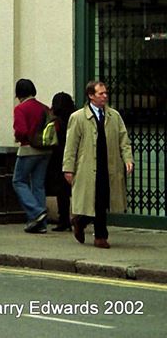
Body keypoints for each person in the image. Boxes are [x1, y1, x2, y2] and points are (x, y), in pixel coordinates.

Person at [62, 80, 134, 249]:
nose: (105, 96)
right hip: (88, 166)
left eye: (106, 93)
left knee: (103, 199)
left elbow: (124, 140)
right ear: (91, 96)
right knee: (94, 200)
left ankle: (87, 226)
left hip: (109, 165)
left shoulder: (114, 116)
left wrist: (128, 159)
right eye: (101, 93)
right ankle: (95, 232)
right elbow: (71, 145)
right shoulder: (78, 117)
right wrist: (68, 168)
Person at [12, 78, 51, 233]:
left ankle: (36, 212)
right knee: (38, 184)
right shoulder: (44, 108)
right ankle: (40, 224)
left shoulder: (21, 109)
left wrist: (18, 137)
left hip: (29, 149)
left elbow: (21, 131)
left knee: (18, 181)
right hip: (46, 150)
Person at [46, 92, 75, 231]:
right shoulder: (74, 118)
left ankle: (64, 219)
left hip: (58, 157)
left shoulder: (56, 121)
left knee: (61, 191)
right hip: (74, 156)